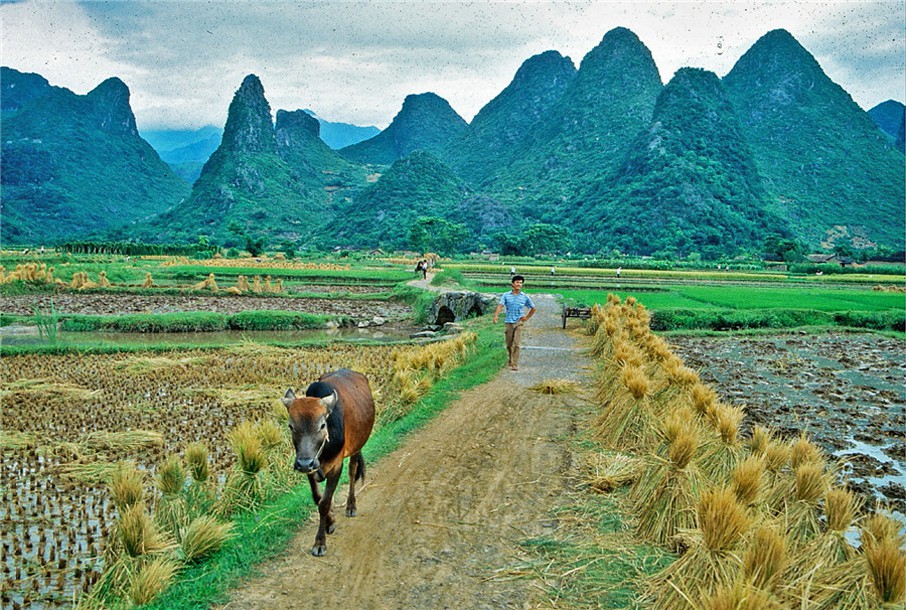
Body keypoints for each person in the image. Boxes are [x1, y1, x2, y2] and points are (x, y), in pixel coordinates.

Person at [492, 275, 536, 371]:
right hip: (508, 322)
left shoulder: (524, 297)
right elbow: (500, 306)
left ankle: (514, 363)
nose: (519, 284)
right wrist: (496, 316)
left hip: (519, 322)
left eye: (520, 283)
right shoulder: (506, 295)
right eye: (517, 282)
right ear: (512, 284)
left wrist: (526, 318)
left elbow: (533, 308)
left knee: (516, 343)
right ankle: (510, 358)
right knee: (508, 344)